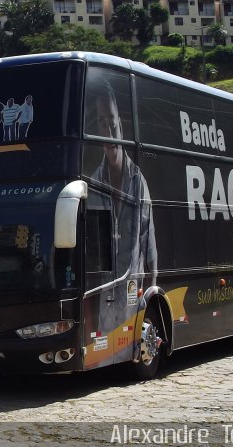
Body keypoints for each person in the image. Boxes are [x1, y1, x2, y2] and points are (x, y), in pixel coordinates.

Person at [90, 80, 157, 337]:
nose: (107, 128)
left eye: (111, 119)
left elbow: (151, 252)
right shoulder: (93, 185)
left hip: (135, 306)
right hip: (106, 318)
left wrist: (149, 306)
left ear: (121, 121)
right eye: (100, 121)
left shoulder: (138, 182)